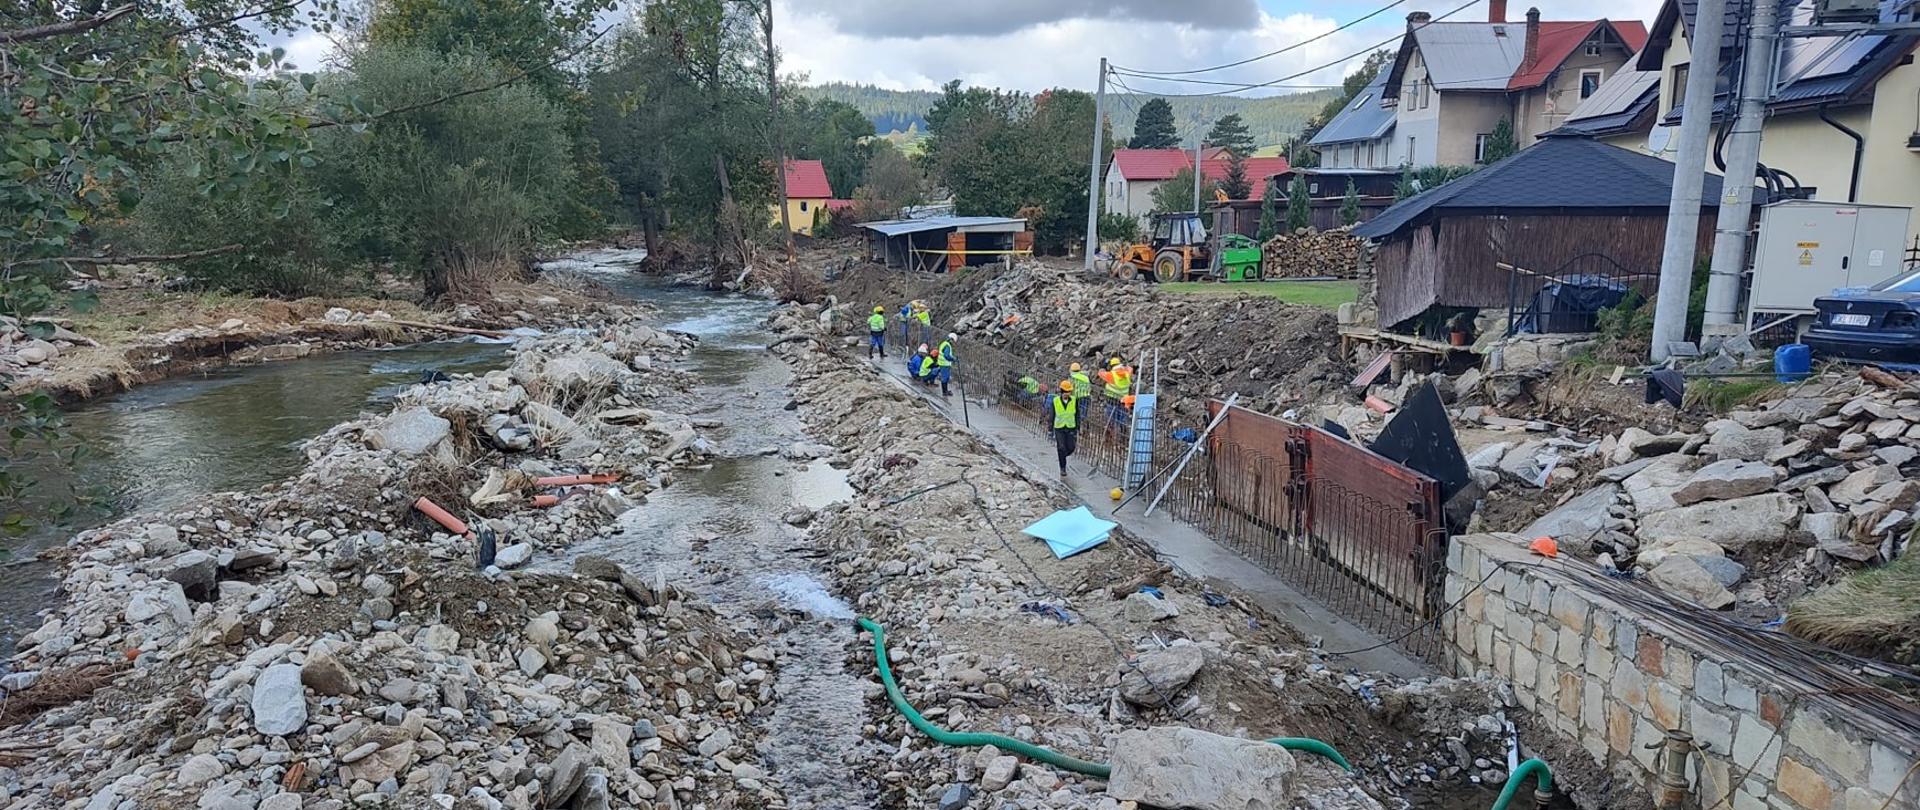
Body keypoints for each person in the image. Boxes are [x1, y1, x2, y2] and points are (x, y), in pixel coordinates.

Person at [1045, 380, 1079, 477]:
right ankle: (1062, 468)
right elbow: (1051, 416)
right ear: (1062, 391)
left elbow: (1077, 414)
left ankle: (1062, 456)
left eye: (1069, 392)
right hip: (1059, 428)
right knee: (1061, 447)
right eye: (1066, 392)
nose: (1068, 394)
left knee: (1071, 447)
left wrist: (1078, 426)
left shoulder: (1074, 400)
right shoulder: (1055, 401)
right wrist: (1050, 430)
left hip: (1070, 427)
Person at [1097, 356, 1134, 426]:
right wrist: (1124, 365)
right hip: (1124, 400)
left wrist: (1103, 367)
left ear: (1111, 366)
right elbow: (1130, 368)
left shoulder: (1111, 375)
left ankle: (1114, 432)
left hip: (1112, 400)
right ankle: (1123, 431)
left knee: (1111, 420)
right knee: (1122, 420)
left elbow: (1100, 373)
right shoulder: (1127, 373)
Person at [934, 332, 956, 397]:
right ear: (951, 339)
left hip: (942, 363)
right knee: (945, 378)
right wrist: (953, 359)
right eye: (953, 341)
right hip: (945, 364)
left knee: (945, 377)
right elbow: (946, 356)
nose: (953, 343)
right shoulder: (947, 346)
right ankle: (944, 392)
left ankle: (945, 390)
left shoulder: (943, 343)